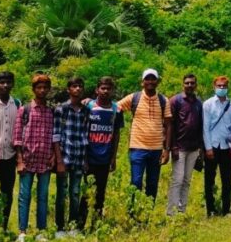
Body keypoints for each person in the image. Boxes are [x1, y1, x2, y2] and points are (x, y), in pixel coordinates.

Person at [14, 73, 62, 242]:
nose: (42, 90)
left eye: (45, 88)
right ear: (33, 89)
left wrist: (53, 157)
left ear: (49, 90)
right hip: (27, 159)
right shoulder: (25, 110)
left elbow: (54, 136)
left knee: (43, 196)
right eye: (39, 88)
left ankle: (41, 230)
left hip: (45, 160)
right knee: (24, 196)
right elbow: (17, 136)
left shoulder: (52, 111)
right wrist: (19, 160)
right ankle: (22, 231)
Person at [117, 68, 172, 201]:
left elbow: (169, 125)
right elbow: (115, 107)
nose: (150, 81)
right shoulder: (134, 98)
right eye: (147, 78)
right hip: (137, 148)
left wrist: (167, 150)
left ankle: (147, 216)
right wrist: (91, 103)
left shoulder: (163, 100)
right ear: (142, 82)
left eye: (153, 79)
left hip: (157, 150)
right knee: (135, 183)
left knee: (152, 185)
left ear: (158, 81)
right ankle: (133, 213)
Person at [83, 76, 122, 226]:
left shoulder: (116, 110)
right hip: (89, 157)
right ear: (97, 90)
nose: (105, 91)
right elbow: (83, 132)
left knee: (100, 193)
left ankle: (96, 223)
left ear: (112, 91)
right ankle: (81, 223)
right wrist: (84, 159)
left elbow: (116, 135)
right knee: (86, 192)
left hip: (105, 158)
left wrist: (113, 158)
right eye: (102, 88)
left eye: (108, 88)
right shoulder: (89, 107)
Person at [54, 77, 89, 236]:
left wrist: (86, 160)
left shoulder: (86, 110)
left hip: (79, 156)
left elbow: (86, 135)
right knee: (62, 193)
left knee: (75, 193)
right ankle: (59, 227)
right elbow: (55, 135)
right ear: (69, 89)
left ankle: (73, 225)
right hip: (65, 156)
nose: (78, 89)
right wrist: (58, 160)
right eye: (74, 86)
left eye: (80, 86)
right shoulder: (62, 109)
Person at [167, 73, 204, 216]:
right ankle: (171, 212)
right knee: (178, 179)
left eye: (192, 83)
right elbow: (170, 125)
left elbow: (200, 125)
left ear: (196, 85)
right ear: (183, 84)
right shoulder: (175, 101)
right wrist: (173, 146)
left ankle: (182, 211)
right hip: (179, 148)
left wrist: (201, 147)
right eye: (187, 83)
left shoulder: (198, 103)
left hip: (193, 148)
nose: (190, 85)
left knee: (187, 180)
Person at [0, 71, 20, 233]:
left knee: (7, 194)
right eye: (2, 82)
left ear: (12, 84)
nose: (5, 85)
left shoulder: (17, 103)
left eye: (8, 82)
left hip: (10, 157)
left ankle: (3, 228)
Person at [203, 76, 231, 216]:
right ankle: (210, 209)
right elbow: (205, 127)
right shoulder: (208, 104)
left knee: (227, 180)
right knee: (209, 179)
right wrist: (208, 147)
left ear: (227, 87)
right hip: (213, 146)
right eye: (219, 86)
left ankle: (226, 209)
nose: (221, 88)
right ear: (214, 86)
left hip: (226, 146)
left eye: (224, 86)